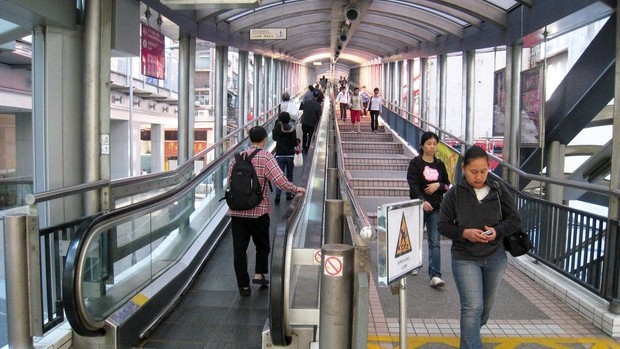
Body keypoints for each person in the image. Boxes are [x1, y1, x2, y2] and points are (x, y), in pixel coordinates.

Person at [438, 146, 521, 348]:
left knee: (484, 308)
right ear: (464, 168)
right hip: (465, 257)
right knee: (472, 307)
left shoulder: (498, 190)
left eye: (483, 171)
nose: (479, 176)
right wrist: (464, 233)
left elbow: (514, 220)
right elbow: (443, 226)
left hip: (495, 257)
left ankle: (473, 333)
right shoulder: (454, 194)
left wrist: (497, 231)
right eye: (474, 171)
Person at [227, 126, 306, 297]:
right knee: (262, 245)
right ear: (264, 139)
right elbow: (280, 181)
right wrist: (296, 189)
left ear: (249, 139)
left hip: (237, 212)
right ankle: (259, 274)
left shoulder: (236, 158)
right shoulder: (266, 156)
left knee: (239, 250)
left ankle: (244, 286)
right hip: (258, 211)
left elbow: (229, 182)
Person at [406, 131, 450, 288]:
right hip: (419, 206)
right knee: (415, 236)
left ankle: (435, 275)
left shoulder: (440, 164)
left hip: (436, 207)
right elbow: (412, 183)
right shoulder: (416, 163)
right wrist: (422, 200)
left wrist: (438, 185)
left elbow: (447, 185)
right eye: (429, 144)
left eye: (434, 144)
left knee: (434, 241)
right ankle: (413, 264)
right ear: (422, 146)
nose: (432, 147)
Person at [272, 112, 298, 204]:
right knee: (289, 175)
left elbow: (274, 139)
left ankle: (277, 196)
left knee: (280, 176)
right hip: (290, 155)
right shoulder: (292, 129)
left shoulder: (277, 129)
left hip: (279, 154)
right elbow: (294, 143)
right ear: (288, 119)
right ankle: (289, 194)